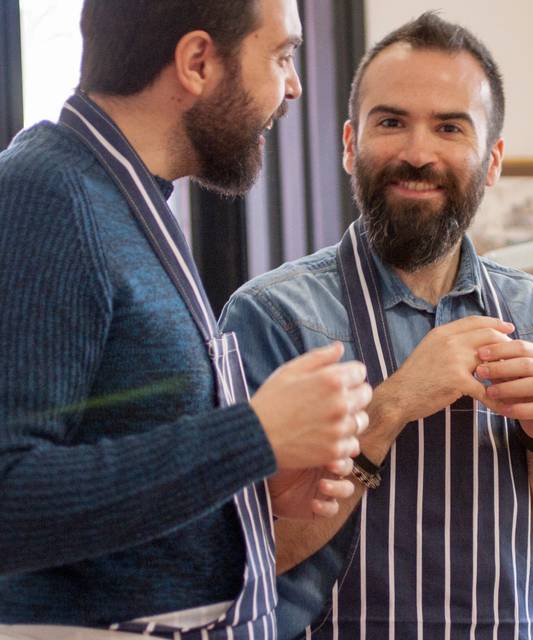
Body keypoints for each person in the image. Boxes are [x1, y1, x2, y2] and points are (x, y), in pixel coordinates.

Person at [221, 13, 533, 639]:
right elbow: (247, 556)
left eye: (450, 127)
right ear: (351, 144)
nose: (418, 153)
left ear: (492, 162)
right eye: (391, 122)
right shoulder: (274, 318)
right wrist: (395, 402)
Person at [0, 1, 371, 638]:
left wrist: (253, 485)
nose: (295, 87)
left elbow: (122, 464)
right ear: (198, 62)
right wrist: (250, 438)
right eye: (281, 55)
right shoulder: (47, 196)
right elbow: (10, 499)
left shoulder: (127, 200)